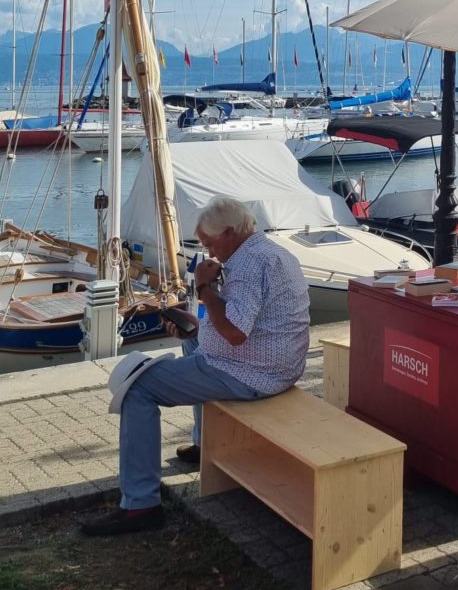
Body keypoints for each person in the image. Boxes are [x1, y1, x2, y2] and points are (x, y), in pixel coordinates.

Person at [81, 196, 310, 536]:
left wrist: (204, 287)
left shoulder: (247, 267)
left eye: (210, 243)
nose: (210, 251)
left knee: (137, 388)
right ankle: (206, 443)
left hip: (254, 374)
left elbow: (233, 334)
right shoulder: (270, 252)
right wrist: (200, 324)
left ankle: (141, 505)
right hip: (276, 362)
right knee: (191, 337)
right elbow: (243, 325)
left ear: (230, 233)